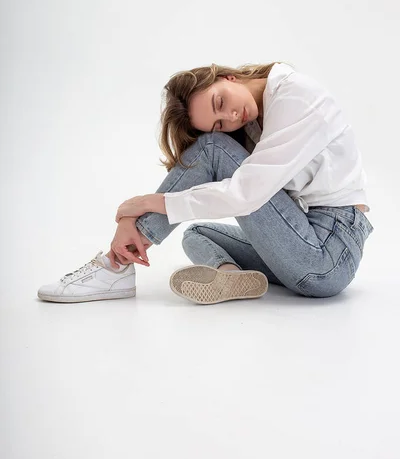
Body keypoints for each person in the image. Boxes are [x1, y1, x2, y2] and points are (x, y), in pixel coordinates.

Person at [37, 61, 374, 305]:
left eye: (220, 102)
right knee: (196, 234)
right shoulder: (260, 121)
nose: (230, 118)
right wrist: (134, 214)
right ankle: (229, 276)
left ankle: (116, 264)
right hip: (305, 254)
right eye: (217, 123)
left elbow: (245, 195)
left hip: (328, 252)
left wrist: (148, 203)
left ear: (227, 76)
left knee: (214, 151)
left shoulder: (296, 96)